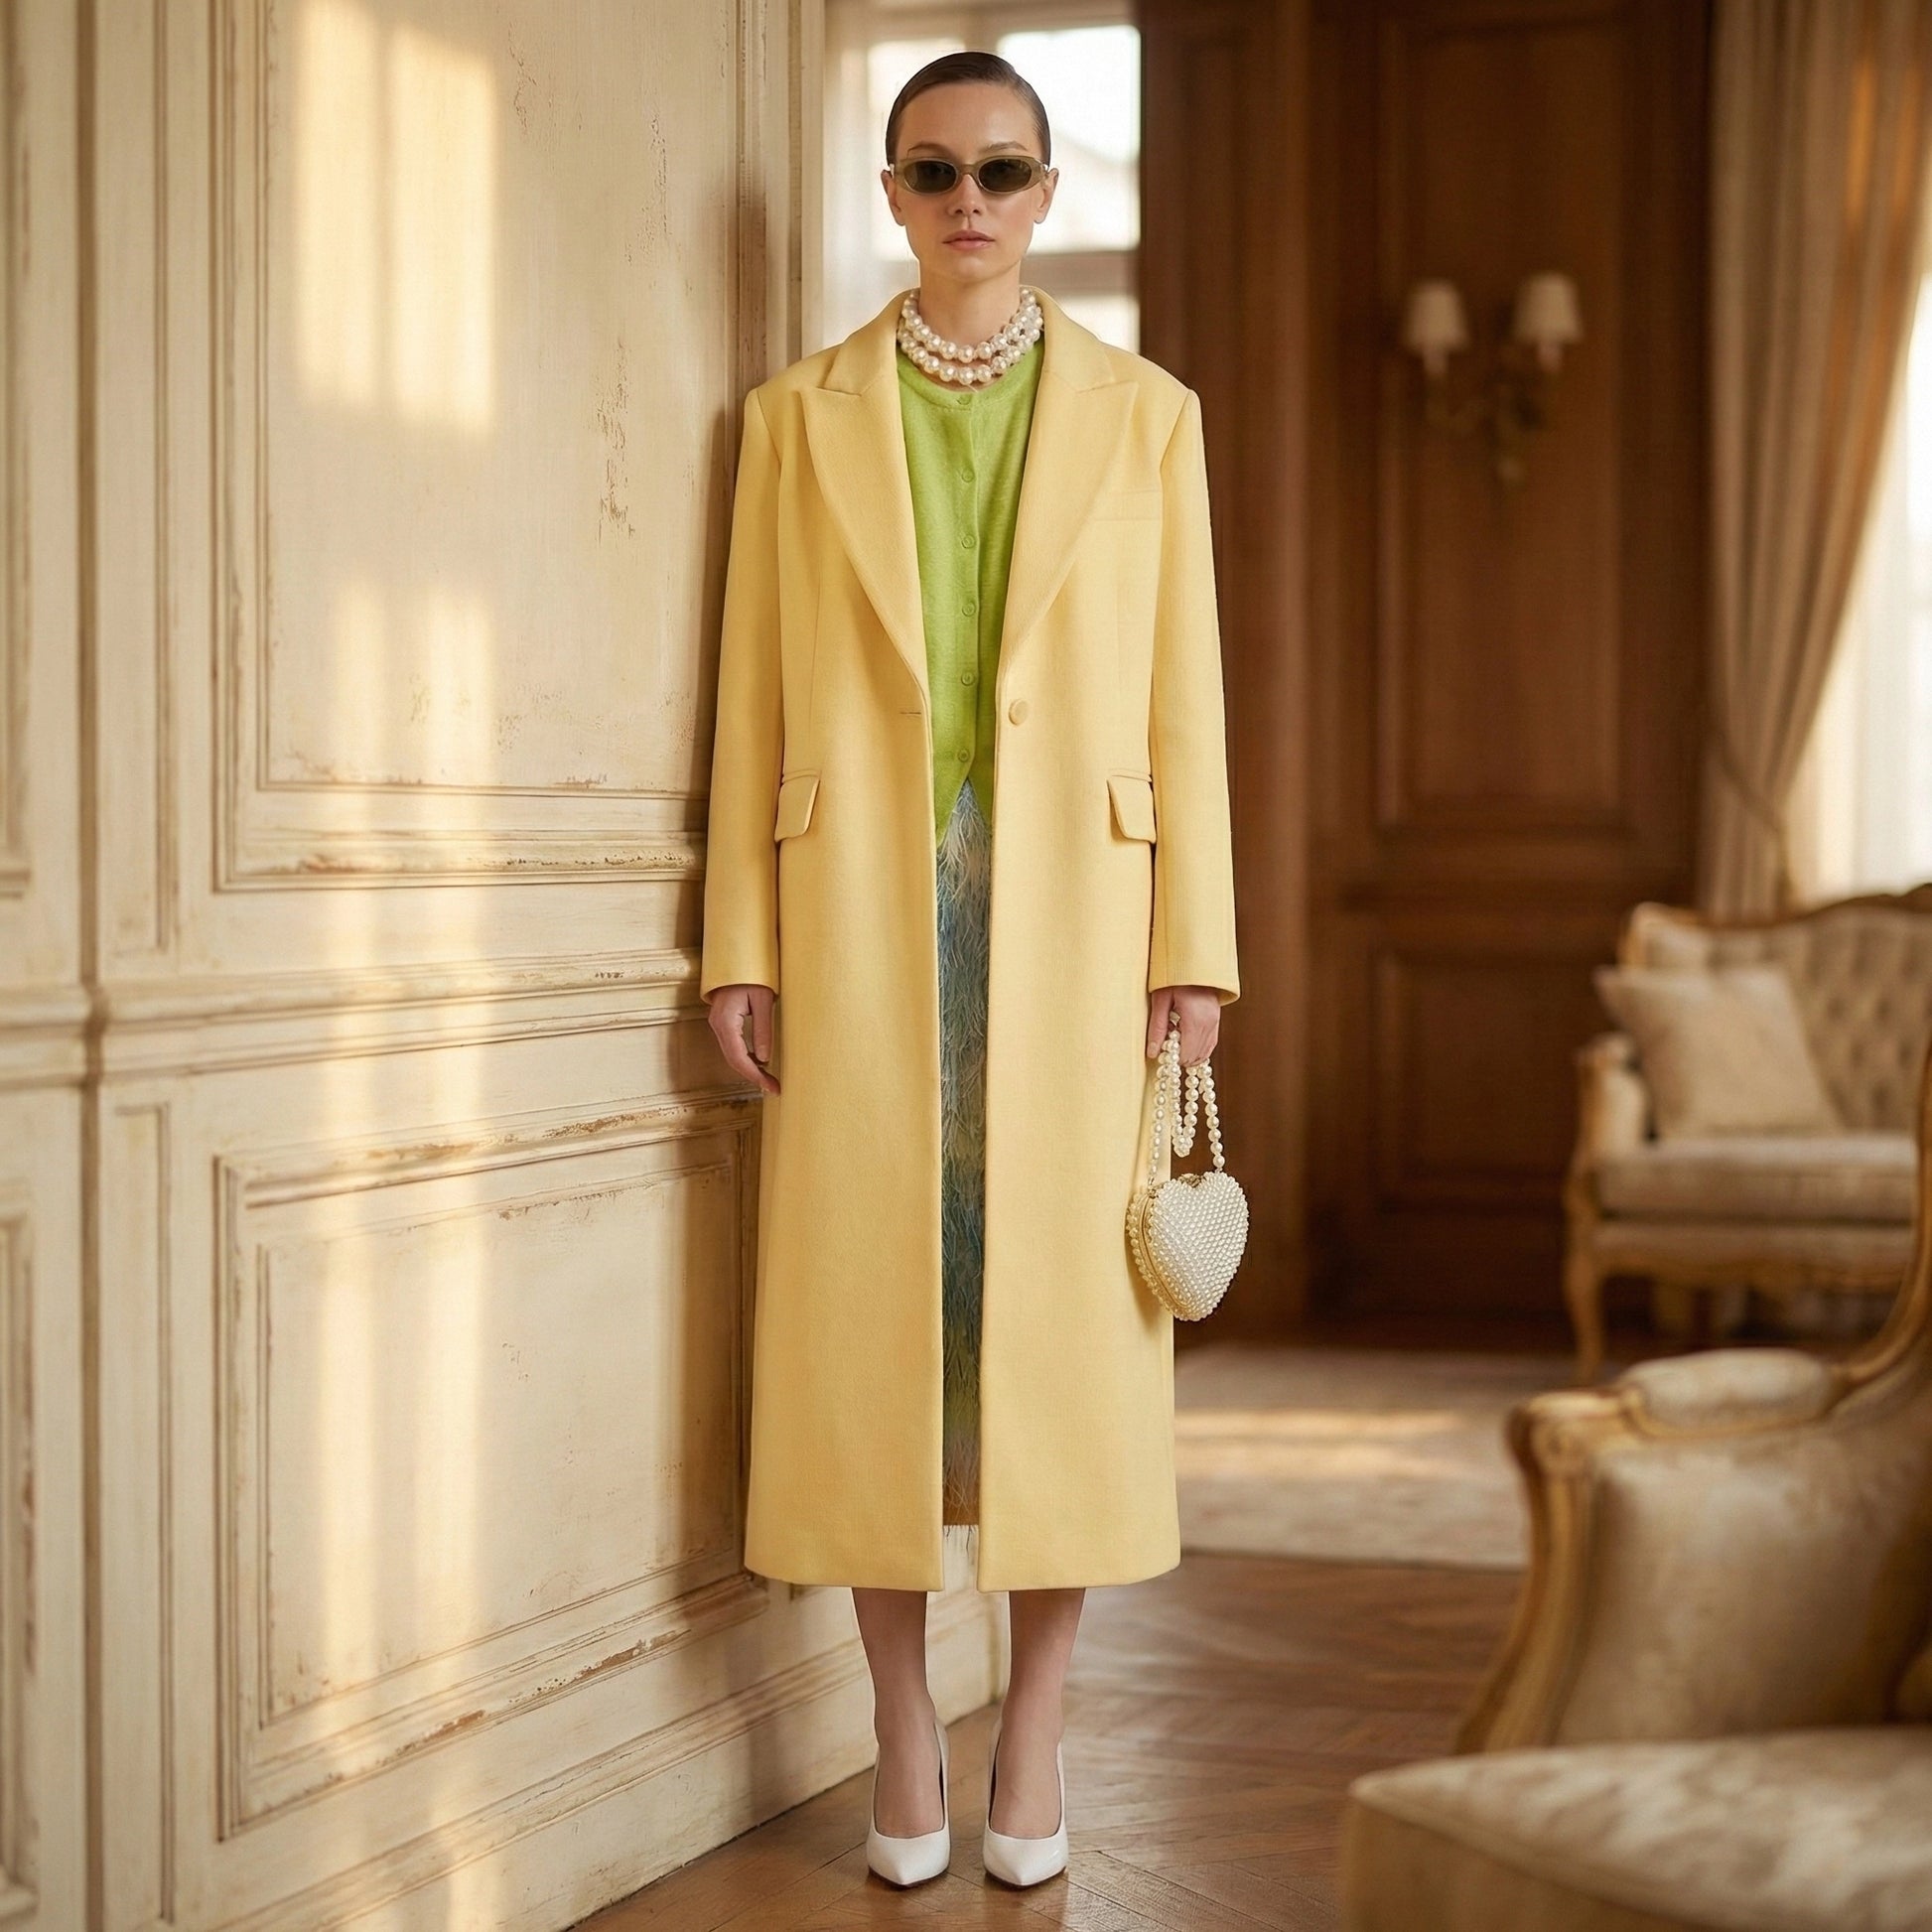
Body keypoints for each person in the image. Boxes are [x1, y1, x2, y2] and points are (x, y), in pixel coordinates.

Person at [699, 48, 1239, 1890]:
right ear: (891, 187)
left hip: (1079, 923)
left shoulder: (1146, 414)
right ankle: (900, 1724)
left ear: (1044, 188)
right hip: (858, 912)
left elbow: (1190, 711)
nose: (971, 205)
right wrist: (737, 941)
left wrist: (1199, 952)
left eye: (1001, 170)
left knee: (1067, 1345)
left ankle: (1034, 1728)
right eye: (933, 173)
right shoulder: (795, 417)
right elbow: (748, 693)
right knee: (876, 1328)